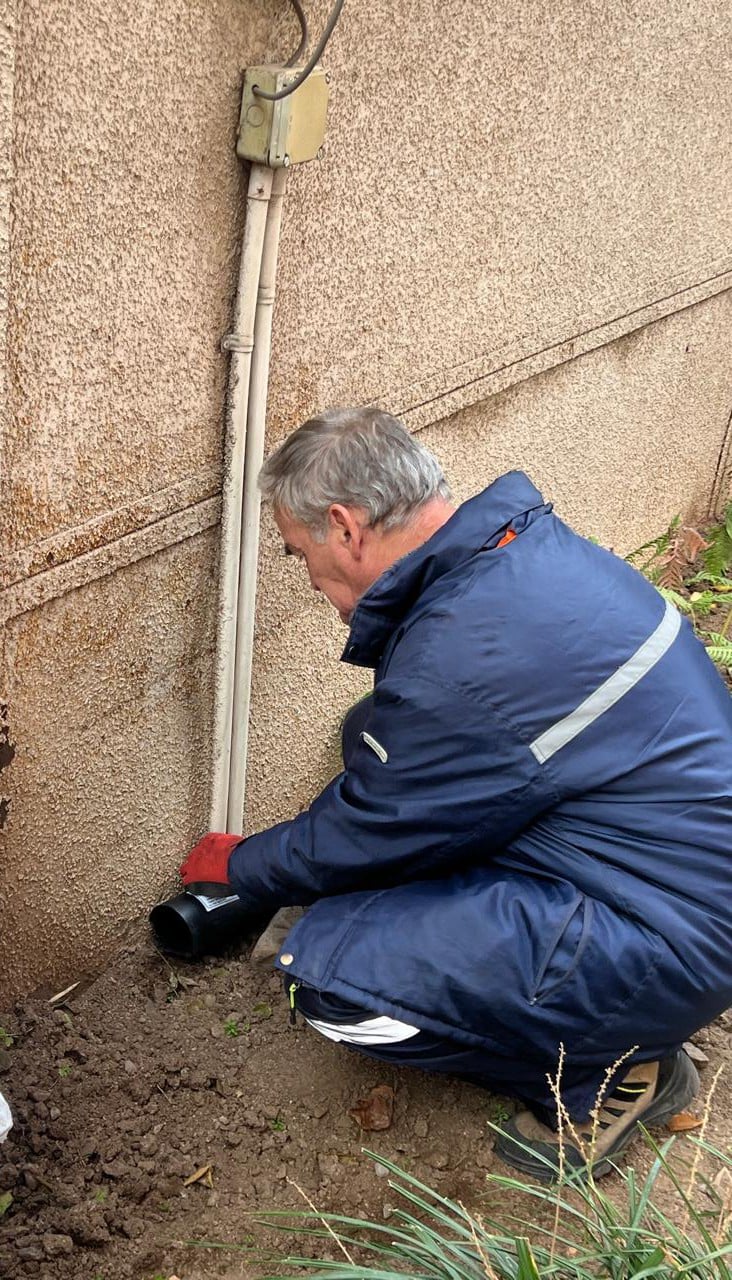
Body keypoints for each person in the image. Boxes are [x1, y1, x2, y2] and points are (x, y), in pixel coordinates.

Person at [181, 407, 732, 1179]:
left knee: (332, 982)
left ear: (345, 527)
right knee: (372, 732)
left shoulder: (459, 657)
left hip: (668, 937)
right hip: (680, 874)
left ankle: (611, 1070)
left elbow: (368, 827)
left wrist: (240, 867)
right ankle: (604, 1013)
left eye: (299, 553)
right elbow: (408, 781)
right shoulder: (522, 558)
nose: (307, 577)